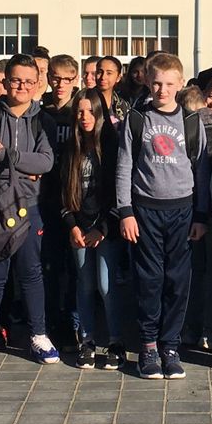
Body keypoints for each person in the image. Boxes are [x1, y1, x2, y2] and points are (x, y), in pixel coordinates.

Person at [116, 53, 207, 379]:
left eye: (169, 84)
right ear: (146, 80)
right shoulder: (137, 119)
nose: (162, 89)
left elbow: (201, 172)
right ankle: (149, 345)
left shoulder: (192, 122)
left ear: (180, 84)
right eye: (156, 82)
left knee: (177, 281)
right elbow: (124, 166)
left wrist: (201, 216)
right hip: (145, 210)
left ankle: (171, 344)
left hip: (182, 211)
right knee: (149, 280)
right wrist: (125, 211)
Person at [0, 53, 58, 367]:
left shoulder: (42, 119)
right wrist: (21, 168)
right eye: (16, 79)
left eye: (28, 81)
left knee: (31, 272)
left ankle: (38, 334)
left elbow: (45, 162)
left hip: (30, 207)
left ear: (36, 86)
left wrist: (6, 155)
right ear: (5, 82)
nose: (21, 86)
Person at [60, 88, 128, 370]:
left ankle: (115, 341)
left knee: (105, 284)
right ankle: (86, 340)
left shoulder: (111, 146)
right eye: (80, 111)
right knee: (85, 285)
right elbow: (62, 193)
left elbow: (118, 191)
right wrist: (72, 225)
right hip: (79, 227)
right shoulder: (70, 148)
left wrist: (102, 228)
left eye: (90, 111)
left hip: (105, 228)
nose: (84, 117)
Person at [179, 86, 212, 351]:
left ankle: (189, 327)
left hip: (186, 210)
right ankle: (211, 329)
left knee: (191, 271)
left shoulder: (183, 133)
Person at [39, 54, 81, 345]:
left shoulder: (81, 111)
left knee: (76, 267)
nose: (60, 84)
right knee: (50, 265)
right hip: (46, 198)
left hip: (76, 199)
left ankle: (75, 320)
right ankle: (52, 320)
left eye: (67, 79)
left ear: (75, 79)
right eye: (55, 78)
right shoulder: (41, 112)